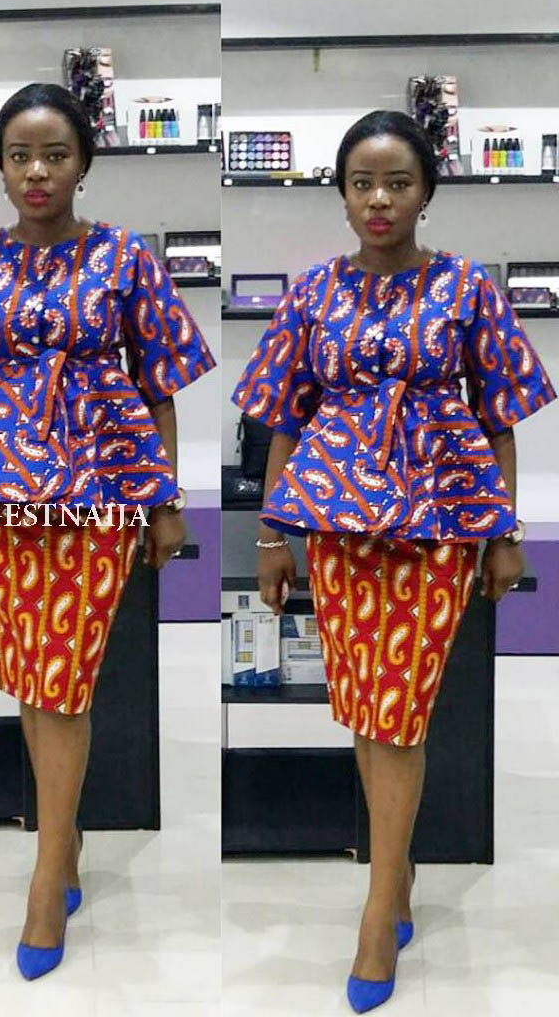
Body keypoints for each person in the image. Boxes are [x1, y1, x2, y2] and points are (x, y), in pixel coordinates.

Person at [233, 109, 555, 1013]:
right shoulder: (312, 292)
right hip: (337, 528)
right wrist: (272, 537)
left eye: (399, 183)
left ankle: (379, 906)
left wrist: (504, 532)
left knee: (401, 712)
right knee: (364, 705)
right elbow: (283, 420)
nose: (380, 199)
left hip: (438, 522)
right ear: (341, 195)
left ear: (427, 193)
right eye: (363, 183)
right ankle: (398, 869)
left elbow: (499, 420)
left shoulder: (468, 289)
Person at [0, 82, 215, 979]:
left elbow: (158, 389)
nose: (37, 172)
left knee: (65, 678)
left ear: (84, 164)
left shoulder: (126, 258)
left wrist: (164, 499)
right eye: (20, 156)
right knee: (30, 673)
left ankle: (46, 868)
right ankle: (63, 838)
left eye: (56, 155)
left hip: (99, 488)